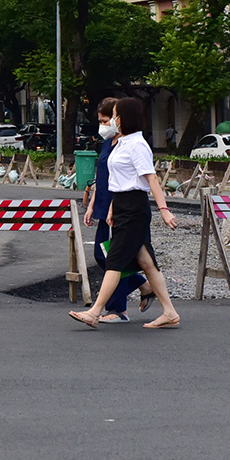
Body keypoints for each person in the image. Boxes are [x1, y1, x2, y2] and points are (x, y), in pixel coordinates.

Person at [70, 96, 180, 330]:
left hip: (134, 208)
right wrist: (111, 208)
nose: (113, 120)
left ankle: (95, 311)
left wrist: (164, 210)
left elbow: (151, 179)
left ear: (125, 118)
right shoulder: (121, 143)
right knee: (147, 263)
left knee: (115, 261)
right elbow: (118, 180)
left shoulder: (138, 145)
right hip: (121, 206)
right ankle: (169, 312)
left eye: (116, 115)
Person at [82, 99, 147, 323]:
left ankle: (118, 309)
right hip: (103, 204)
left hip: (118, 206)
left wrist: (109, 207)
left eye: (105, 120)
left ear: (118, 118)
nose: (102, 125)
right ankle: (142, 284)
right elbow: (102, 175)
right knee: (105, 256)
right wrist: (91, 204)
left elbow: (121, 180)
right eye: (100, 121)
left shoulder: (126, 143)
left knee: (111, 258)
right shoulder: (108, 142)